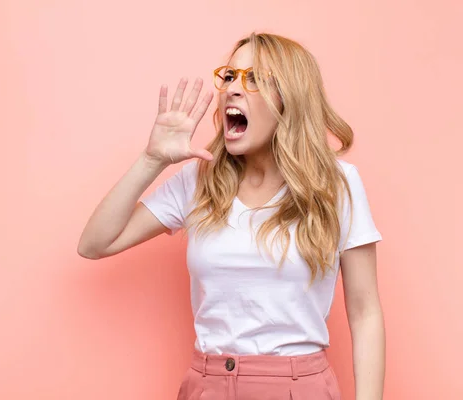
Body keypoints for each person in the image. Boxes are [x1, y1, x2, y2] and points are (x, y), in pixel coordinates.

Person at [77, 32, 385, 400]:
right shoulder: (198, 181)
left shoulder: (336, 185)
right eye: (230, 77)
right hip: (208, 386)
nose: (233, 90)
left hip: (300, 388)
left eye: (254, 79)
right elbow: (94, 244)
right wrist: (151, 160)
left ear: (291, 99)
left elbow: (366, 313)